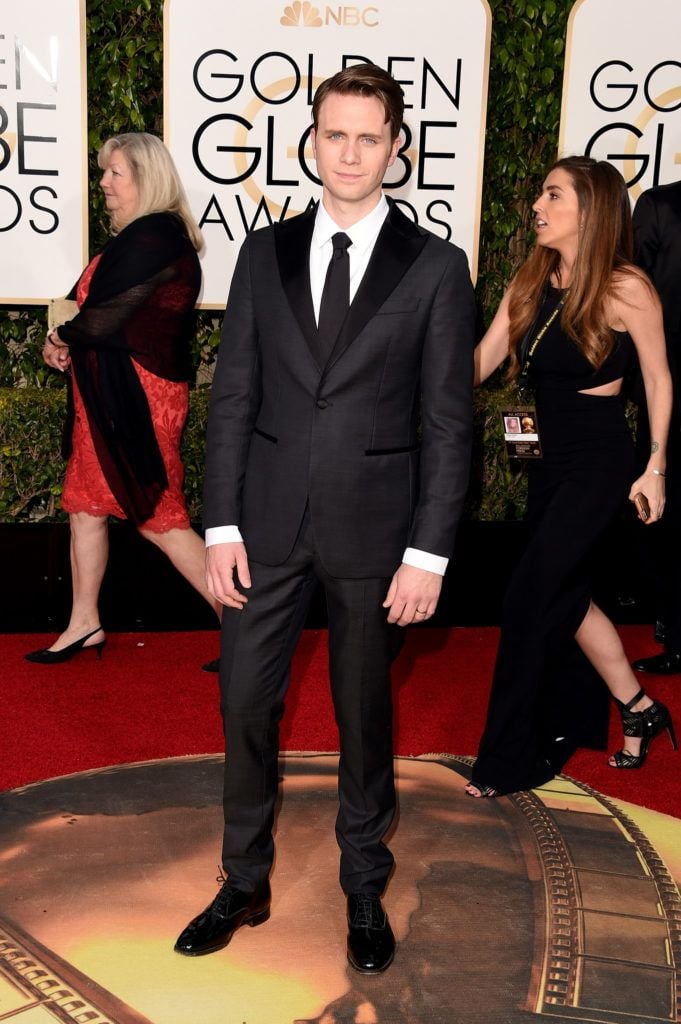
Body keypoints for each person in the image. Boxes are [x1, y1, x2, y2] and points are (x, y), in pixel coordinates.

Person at [173, 63, 476, 972]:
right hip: (261, 528)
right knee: (243, 706)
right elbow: (233, 398)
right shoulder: (261, 255)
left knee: (362, 717)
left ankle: (361, 887)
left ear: (396, 149)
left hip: (377, 539)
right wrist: (219, 525)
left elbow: (449, 426)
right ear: (311, 142)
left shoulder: (434, 268)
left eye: (367, 137)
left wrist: (428, 553)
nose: (348, 153)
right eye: (333, 135)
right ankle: (243, 879)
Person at [466, 156, 677, 799]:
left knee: (530, 596)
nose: (537, 203)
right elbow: (480, 360)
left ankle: (510, 756)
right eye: (541, 190)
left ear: (590, 211)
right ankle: (638, 706)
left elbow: (662, 379)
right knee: (567, 596)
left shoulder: (626, 287)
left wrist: (656, 466)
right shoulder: (533, 279)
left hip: (598, 458)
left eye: (553, 194)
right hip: (545, 458)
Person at [26, 133, 219, 665]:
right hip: (103, 395)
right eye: (104, 172)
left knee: (160, 517)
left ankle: (242, 622)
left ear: (146, 177)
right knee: (85, 509)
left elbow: (110, 318)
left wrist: (66, 337)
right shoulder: (132, 241)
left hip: (138, 396)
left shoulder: (157, 238)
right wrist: (58, 340)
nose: (104, 182)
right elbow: (82, 309)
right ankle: (84, 622)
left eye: (115, 173)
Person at [628, 180, 681, 675]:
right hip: (666, 379)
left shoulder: (661, 205)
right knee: (661, 503)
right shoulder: (661, 205)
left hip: (665, 377)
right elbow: (633, 284)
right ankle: (673, 627)